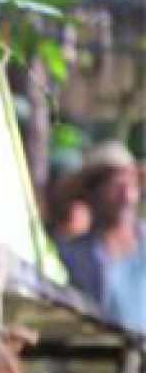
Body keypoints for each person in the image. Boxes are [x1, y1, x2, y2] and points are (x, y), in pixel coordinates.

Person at [59, 141, 146, 332]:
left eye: (131, 186)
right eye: (115, 186)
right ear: (93, 194)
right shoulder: (74, 256)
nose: (126, 196)